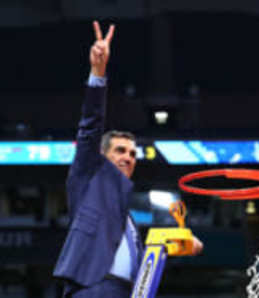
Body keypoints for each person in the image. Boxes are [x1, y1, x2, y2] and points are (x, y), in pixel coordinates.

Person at [53, 21, 203, 298]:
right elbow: (90, 126)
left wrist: (180, 243)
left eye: (132, 153)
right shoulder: (88, 180)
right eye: (120, 151)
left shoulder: (127, 218)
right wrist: (98, 73)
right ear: (101, 155)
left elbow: (145, 260)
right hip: (95, 288)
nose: (128, 157)